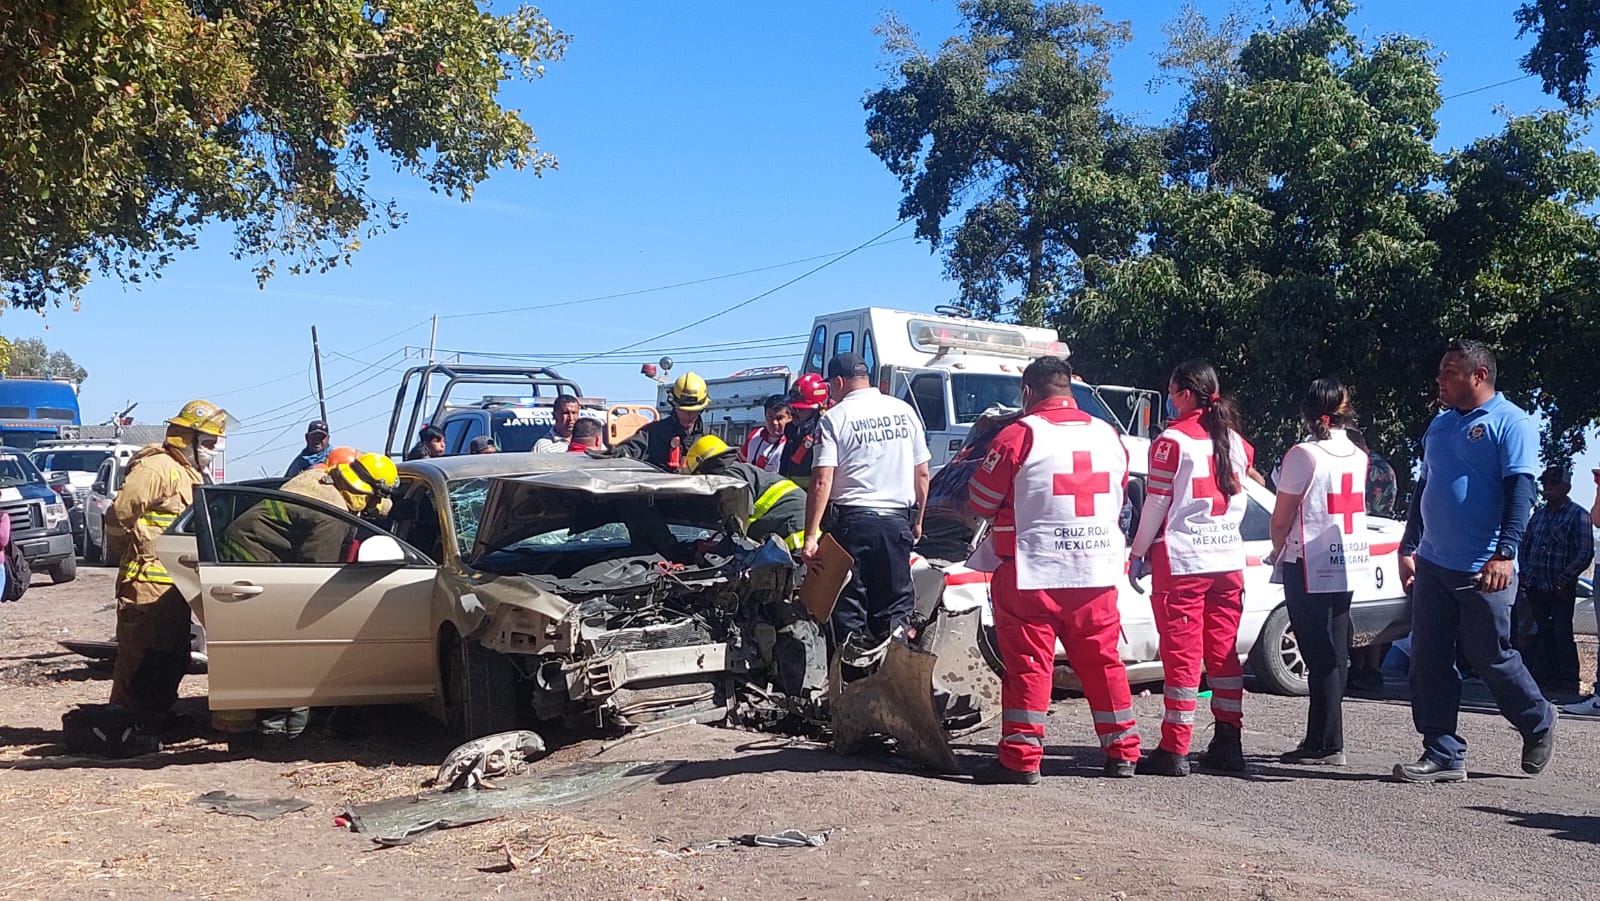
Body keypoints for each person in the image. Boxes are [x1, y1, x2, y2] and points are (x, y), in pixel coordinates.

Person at [966, 355, 1141, 783]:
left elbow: (980, 502)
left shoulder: (1019, 435)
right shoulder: (1109, 435)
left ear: (1028, 392)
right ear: (1069, 388)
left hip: (1034, 571)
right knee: (1103, 662)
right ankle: (1123, 752)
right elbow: (1118, 495)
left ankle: (1022, 759)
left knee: (1029, 664)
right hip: (1096, 572)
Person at [1394, 339, 1556, 783]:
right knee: (1427, 658)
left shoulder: (1512, 423)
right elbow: (1423, 491)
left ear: (1478, 376)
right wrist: (1409, 547)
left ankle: (1538, 719)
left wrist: (1506, 553)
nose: (1439, 380)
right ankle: (1443, 751)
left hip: (1484, 567)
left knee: (1491, 656)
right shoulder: (1440, 426)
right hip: (1433, 563)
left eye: (1449, 372)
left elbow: (1521, 492)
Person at [1128, 360, 1254, 776]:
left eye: (1170, 389)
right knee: (1223, 655)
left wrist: (1137, 552)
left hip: (1183, 561)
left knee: (1182, 659)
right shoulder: (1236, 442)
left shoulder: (1170, 442)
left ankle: (1174, 748)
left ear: (1184, 393)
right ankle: (1228, 742)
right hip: (1228, 563)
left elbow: (1157, 503)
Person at [217, 452, 399, 740]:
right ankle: (258, 726)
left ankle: (256, 719)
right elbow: (316, 573)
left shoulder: (322, 478)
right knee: (279, 641)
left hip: (242, 544)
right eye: (377, 500)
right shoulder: (332, 516)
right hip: (252, 558)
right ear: (368, 492)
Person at [801, 353, 931, 667]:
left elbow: (822, 479)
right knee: (895, 604)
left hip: (852, 525)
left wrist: (810, 536)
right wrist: (918, 521)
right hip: (896, 521)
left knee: (849, 606)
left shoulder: (834, 417)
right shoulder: (904, 411)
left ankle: (852, 681)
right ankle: (896, 675)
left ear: (838, 382)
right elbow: (923, 473)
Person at [1268, 379, 1371, 766]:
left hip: (1306, 560)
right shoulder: (1359, 454)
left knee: (1318, 652)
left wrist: (1276, 548)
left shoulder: (1303, 454)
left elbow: (1282, 516)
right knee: (1334, 649)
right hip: (1345, 560)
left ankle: (1328, 742)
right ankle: (1323, 737)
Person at [106, 400, 227, 719]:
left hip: (174, 587)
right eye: (210, 442)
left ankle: (154, 718)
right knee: (139, 659)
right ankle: (122, 725)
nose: (214, 450)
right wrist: (130, 551)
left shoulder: (189, 472)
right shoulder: (157, 467)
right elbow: (119, 514)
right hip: (147, 586)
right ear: (187, 438)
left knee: (171, 657)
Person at [1520, 466, 1592, 698]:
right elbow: (1526, 545)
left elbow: (1584, 552)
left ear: (1565, 487)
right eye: (1546, 484)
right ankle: (1544, 677)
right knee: (1541, 632)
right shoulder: (1539, 515)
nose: (1548, 489)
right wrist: (1526, 574)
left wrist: (1565, 579)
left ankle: (1569, 680)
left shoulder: (1578, 515)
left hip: (1560, 588)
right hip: (1535, 586)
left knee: (1562, 632)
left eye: (1553, 484)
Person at [684, 434, 807, 550]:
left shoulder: (727, 479)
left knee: (798, 567)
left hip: (792, 524)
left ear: (701, 467)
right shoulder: (736, 469)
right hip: (794, 516)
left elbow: (738, 521)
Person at [615, 373, 709, 471]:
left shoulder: (710, 440)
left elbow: (723, 469)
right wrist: (611, 454)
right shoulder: (652, 433)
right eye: (683, 410)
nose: (688, 415)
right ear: (674, 405)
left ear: (702, 409)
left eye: (693, 411)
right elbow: (628, 450)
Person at [780, 373, 830, 491]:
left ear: (816, 408)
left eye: (800, 408)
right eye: (792, 407)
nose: (793, 411)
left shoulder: (824, 433)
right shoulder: (792, 431)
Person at [741, 395, 791, 473]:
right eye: (770, 417)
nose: (774, 423)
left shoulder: (792, 442)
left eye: (779, 418)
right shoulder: (755, 436)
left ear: (790, 418)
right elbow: (741, 463)